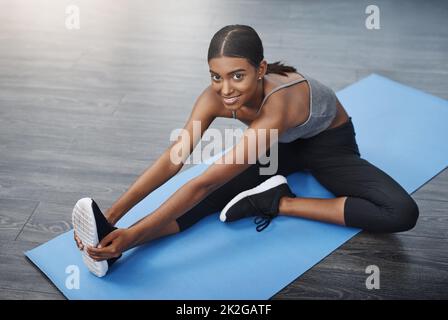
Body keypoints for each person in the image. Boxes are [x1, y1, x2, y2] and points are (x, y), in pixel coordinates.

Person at [73, 24, 419, 277]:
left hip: (329, 145)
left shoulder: (278, 104)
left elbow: (202, 182)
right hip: (279, 148)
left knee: (400, 212)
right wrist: (114, 217)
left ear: (261, 69)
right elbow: (175, 157)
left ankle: (276, 201)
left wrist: (133, 231)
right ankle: (115, 247)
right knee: (207, 201)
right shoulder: (214, 97)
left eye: (237, 76)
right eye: (215, 76)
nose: (225, 89)